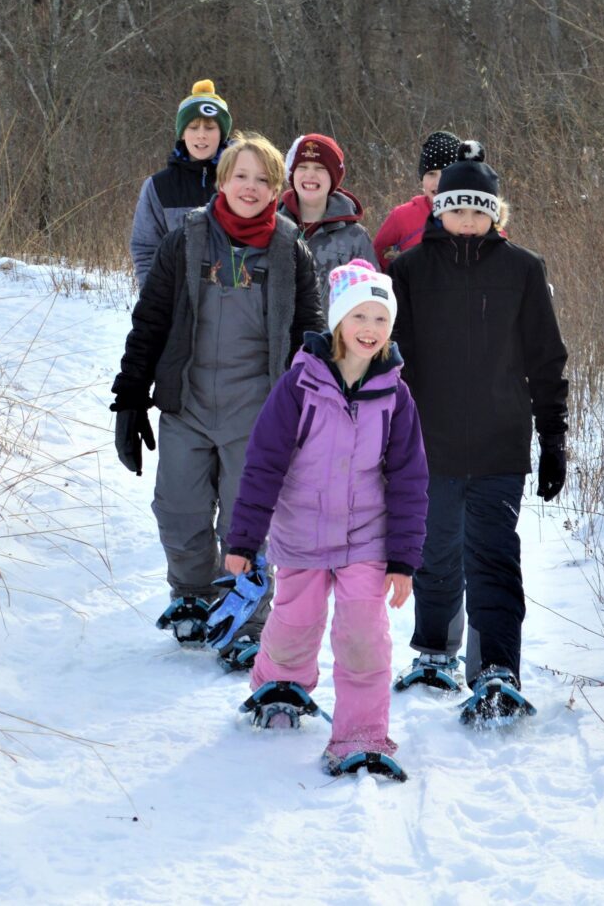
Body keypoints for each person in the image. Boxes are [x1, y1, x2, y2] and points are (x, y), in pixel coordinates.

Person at [111, 133, 324, 668]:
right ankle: (191, 596)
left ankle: (248, 617)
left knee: (245, 521)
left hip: (257, 411)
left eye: (262, 179)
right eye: (240, 176)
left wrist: (314, 413)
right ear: (222, 180)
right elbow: (151, 320)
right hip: (187, 403)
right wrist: (132, 396)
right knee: (178, 508)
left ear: (277, 189)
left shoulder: (290, 251)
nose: (250, 188)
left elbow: (309, 332)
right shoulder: (184, 241)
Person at [224, 260, 428, 775]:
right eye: (360, 315)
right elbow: (263, 464)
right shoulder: (300, 387)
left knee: (364, 629)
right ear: (338, 320)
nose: (370, 329)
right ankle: (281, 684)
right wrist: (244, 540)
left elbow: (408, 479)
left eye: (381, 319)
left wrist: (403, 558)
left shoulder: (395, 396)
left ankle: (362, 733)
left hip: (366, 535)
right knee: (296, 619)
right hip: (301, 531)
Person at [389, 140, 568, 720]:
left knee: (492, 556)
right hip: (428, 444)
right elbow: (393, 361)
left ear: (496, 214)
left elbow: (546, 360)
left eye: (478, 210)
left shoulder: (523, 269)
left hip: (499, 442)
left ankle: (496, 668)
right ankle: (434, 651)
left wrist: (553, 439)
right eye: (456, 209)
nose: (467, 221)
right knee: (434, 549)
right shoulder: (408, 271)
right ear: (438, 210)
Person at [130, 79, 232, 288]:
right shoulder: (159, 186)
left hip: (235, 303)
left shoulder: (240, 179)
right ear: (182, 133)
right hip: (179, 303)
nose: (201, 134)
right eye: (193, 127)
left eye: (210, 127)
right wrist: (154, 302)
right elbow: (146, 249)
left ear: (221, 133)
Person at [279, 134, 378, 314]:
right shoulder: (273, 229)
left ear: (333, 176)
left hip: (332, 339)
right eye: (302, 167)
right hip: (281, 339)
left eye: (320, 168)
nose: (310, 174)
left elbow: (373, 300)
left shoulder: (354, 237)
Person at [372, 130, 460, 272]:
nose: (438, 183)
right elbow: (377, 260)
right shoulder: (402, 217)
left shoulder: (477, 214)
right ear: (422, 177)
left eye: (446, 173)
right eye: (431, 174)